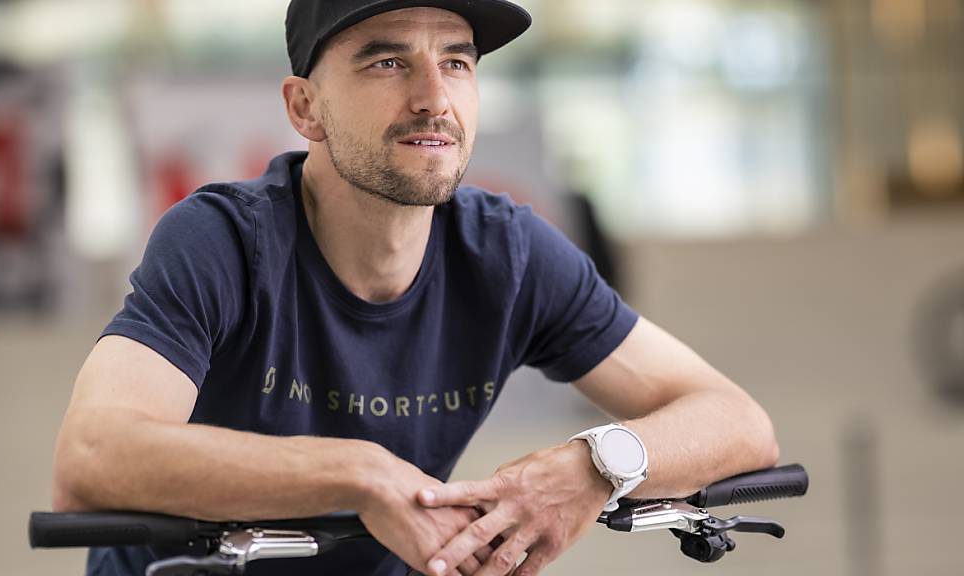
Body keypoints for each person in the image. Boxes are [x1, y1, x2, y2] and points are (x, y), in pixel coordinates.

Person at [51, 1, 780, 575]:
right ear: (305, 107)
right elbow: (90, 459)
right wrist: (357, 472)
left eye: (456, 61)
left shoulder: (508, 253)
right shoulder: (224, 241)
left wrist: (595, 464)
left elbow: (740, 424)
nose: (434, 97)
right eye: (388, 62)